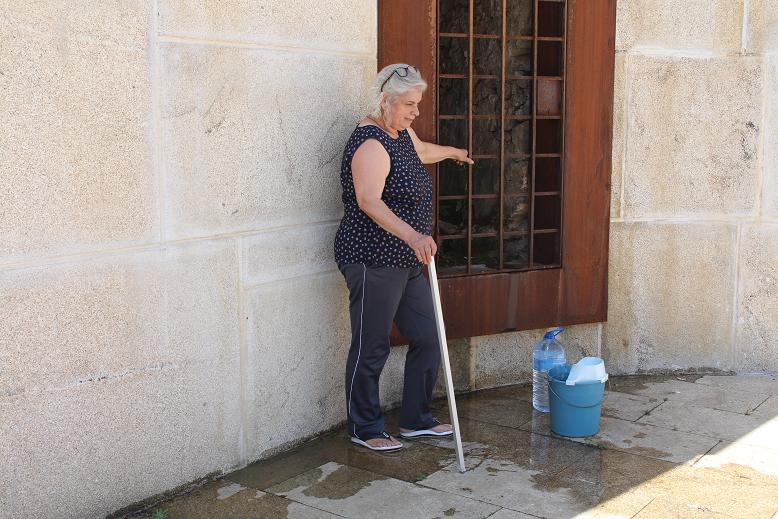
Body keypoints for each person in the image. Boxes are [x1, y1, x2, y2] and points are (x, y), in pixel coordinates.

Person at [334, 63, 474, 451]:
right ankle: (365, 427)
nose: (416, 111)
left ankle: (415, 420)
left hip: (406, 260)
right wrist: (414, 235)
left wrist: (452, 152)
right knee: (371, 345)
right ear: (385, 101)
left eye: (417, 103)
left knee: (429, 335)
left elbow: (421, 150)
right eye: (410, 104)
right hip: (373, 258)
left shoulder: (400, 134)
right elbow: (369, 201)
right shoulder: (371, 143)